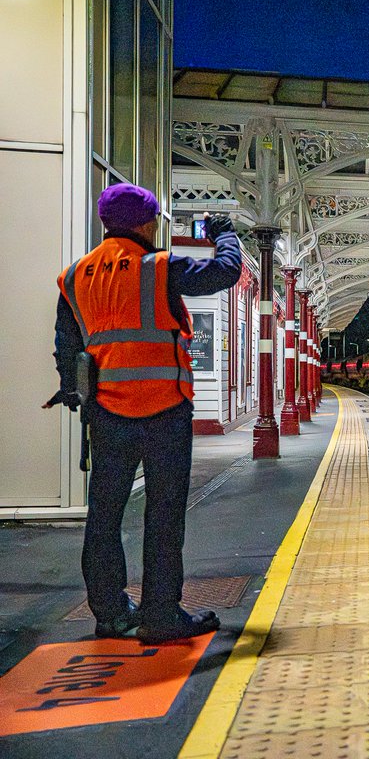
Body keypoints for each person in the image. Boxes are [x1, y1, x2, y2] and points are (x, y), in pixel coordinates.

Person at [44, 184, 242, 644]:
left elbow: (66, 348)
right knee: (164, 514)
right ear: (147, 223)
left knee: (104, 516)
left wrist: (78, 395)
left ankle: (110, 613)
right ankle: (160, 614)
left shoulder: (74, 276)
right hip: (165, 411)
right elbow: (224, 272)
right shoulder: (160, 266)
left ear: (105, 222)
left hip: (108, 415)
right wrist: (225, 233)